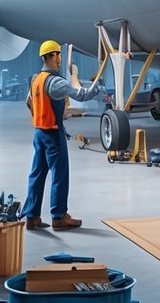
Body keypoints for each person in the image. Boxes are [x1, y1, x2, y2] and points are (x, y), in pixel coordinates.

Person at [22, 40, 102, 230]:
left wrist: (43, 116)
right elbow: (81, 95)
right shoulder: (55, 82)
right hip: (52, 135)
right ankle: (59, 216)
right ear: (53, 56)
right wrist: (98, 90)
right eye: (58, 55)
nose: (60, 59)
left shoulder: (35, 79)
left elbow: (29, 102)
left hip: (39, 132)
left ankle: (32, 217)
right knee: (60, 174)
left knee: (37, 174)